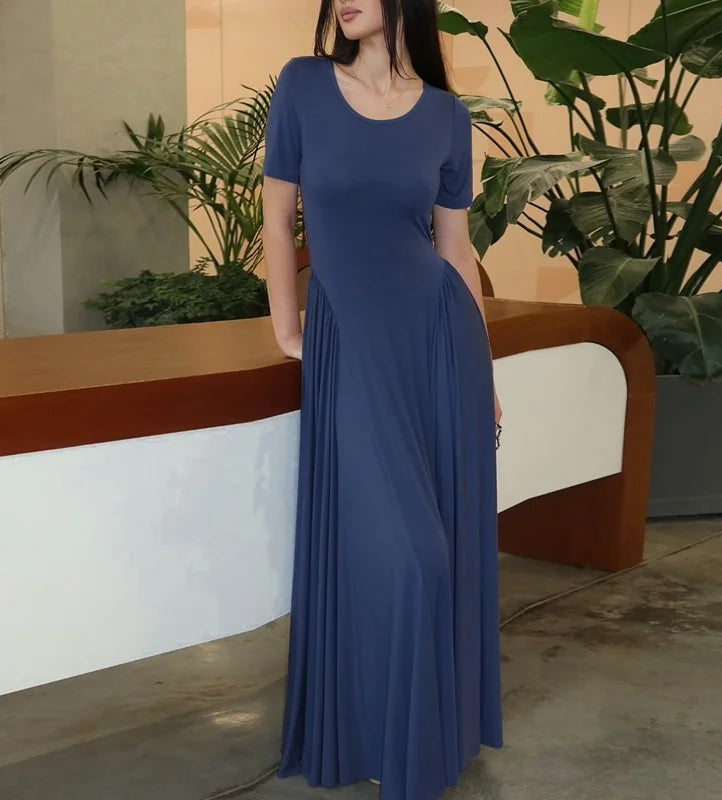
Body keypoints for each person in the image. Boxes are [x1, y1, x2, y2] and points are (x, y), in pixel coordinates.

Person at [261, 1, 504, 797]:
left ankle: (417, 745)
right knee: (414, 557)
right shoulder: (302, 85)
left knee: (436, 549)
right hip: (350, 340)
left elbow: (455, 249)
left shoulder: (445, 116)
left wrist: (488, 371)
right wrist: (288, 328)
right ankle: (392, 744)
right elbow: (277, 215)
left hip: (440, 342)